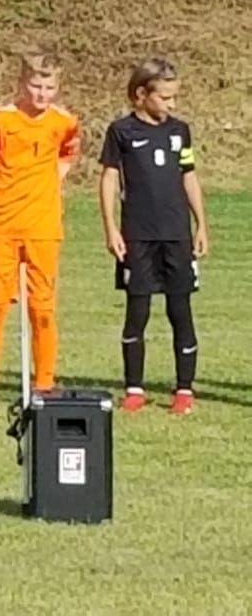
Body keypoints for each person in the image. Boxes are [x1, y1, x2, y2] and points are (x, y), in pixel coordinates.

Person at [0, 50, 81, 409]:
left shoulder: (65, 122)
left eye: (49, 87)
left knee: (42, 309)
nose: (41, 94)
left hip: (43, 227)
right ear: (22, 84)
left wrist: (48, 184)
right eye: (35, 86)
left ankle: (44, 383)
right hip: (2, 224)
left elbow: (69, 154)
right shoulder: (0, 119)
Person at [99, 58, 209, 415]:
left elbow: (188, 175)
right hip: (138, 236)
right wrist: (111, 227)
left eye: (174, 97)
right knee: (138, 310)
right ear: (140, 95)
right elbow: (109, 178)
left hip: (176, 236)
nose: (171, 104)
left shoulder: (180, 131)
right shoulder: (121, 132)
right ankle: (134, 388)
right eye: (164, 97)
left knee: (181, 310)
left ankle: (184, 389)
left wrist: (201, 224)